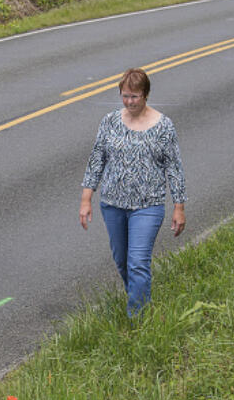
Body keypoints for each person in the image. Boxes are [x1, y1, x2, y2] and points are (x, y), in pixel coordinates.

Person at [79, 68, 186, 318]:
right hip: (113, 204)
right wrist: (87, 199)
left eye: (135, 96)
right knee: (122, 261)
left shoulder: (163, 126)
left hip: (148, 205)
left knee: (138, 261)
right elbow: (97, 160)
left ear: (146, 95)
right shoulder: (110, 122)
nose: (129, 102)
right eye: (125, 96)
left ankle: (137, 319)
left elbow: (174, 167)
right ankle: (140, 299)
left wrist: (179, 207)